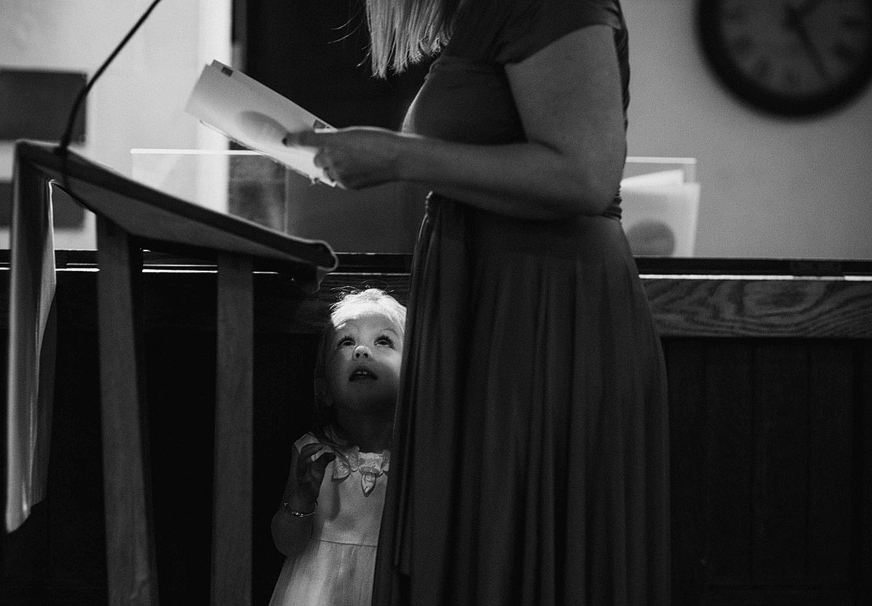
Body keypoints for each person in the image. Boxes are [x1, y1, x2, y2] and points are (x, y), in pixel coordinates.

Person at [284, 1, 671, 604]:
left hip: (540, 314)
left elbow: (586, 175)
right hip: (487, 306)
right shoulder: (474, 14)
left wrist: (397, 155)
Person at [268, 288, 407, 606]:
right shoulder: (312, 452)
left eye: (383, 341)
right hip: (315, 591)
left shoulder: (421, 459)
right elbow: (287, 545)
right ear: (325, 389)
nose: (361, 351)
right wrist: (302, 498)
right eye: (346, 342)